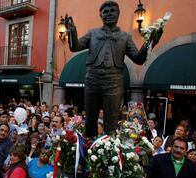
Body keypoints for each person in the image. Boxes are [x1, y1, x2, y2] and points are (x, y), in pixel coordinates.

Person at [65, 0, 162, 138]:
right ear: (101, 16)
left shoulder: (125, 37)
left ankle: (108, 153)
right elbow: (75, 46)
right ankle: (88, 148)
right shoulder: (93, 33)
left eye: (112, 11)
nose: (109, 14)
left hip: (113, 81)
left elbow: (138, 59)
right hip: (93, 79)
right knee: (90, 121)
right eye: (105, 12)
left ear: (118, 14)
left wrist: (151, 42)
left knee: (111, 123)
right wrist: (72, 32)